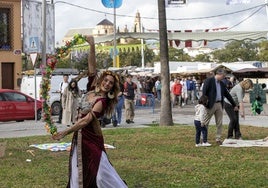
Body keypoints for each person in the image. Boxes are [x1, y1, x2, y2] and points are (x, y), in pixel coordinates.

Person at [52, 36, 127, 188]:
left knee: (100, 172)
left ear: (112, 88)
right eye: (106, 81)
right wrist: (92, 45)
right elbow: (92, 65)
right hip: (79, 135)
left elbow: (86, 121)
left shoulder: (102, 102)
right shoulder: (92, 88)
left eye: (110, 83)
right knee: (77, 168)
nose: (107, 84)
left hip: (90, 137)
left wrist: (64, 132)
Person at [202, 68, 238, 145]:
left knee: (219, 122)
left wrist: (234, 104)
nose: (224, 77)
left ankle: (218, 138)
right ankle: (203, 139)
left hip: (219, 104)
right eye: (223, 76)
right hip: (210, 104)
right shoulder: (209, 81)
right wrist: (204, 104)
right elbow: (204, 93)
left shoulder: (221, 84)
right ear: (219, 74)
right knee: (205, 122)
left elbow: (227, 95)